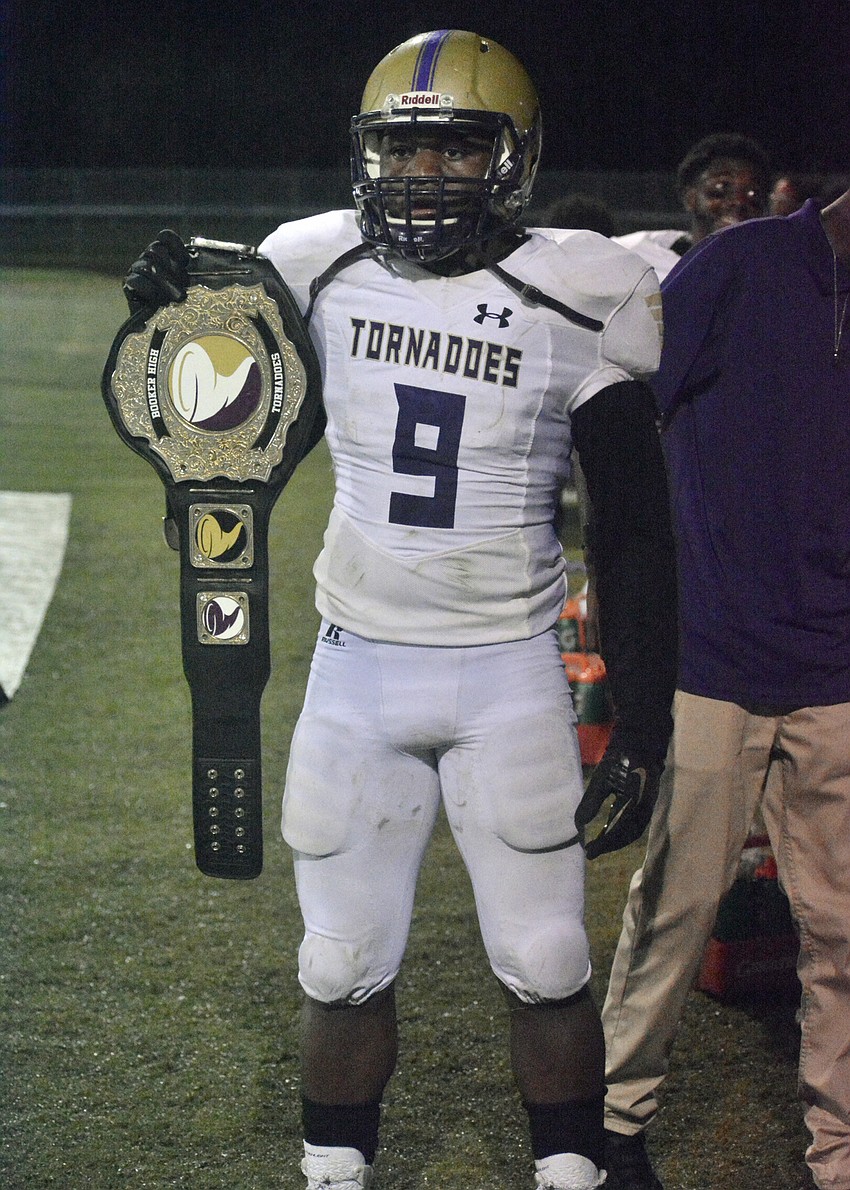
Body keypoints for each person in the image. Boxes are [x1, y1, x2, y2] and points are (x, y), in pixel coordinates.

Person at [122, 29, 677, 1190]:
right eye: (400, 148)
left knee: (545, 956)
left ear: (514, 156)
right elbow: (244, 446)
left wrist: (641, 716)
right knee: (337, 961)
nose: (421, 175)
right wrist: (190, 330)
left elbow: (629, 528)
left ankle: (569, 1176)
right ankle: (335, 1176)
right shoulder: (313, 264)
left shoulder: (588, 288)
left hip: (508, 669)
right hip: (356, 666)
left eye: (452, 148)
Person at [599, 182, 850, 1190]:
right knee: (673, 907)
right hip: (715, 659)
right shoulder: (739, 266)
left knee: (842, 929)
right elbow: (620, 398)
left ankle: (839, 1154)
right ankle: (612, 1125)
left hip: (838, 669)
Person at [613, 132, 771, 279]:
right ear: (691, 198)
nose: (739, 202)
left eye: (753, 194)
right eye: (722, 188)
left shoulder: (771, 275)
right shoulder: (630, 254)